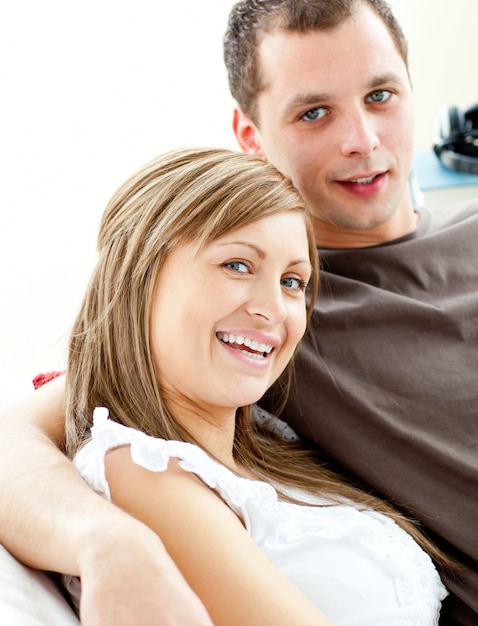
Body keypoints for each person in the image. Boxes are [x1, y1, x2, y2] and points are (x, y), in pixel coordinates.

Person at [0, 0, 476, 624]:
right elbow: (18, 441)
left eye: (381, 95)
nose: (362, 139)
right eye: (313, 112)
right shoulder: (255, 327)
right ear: (251, 136)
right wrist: (108, 543)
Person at [58, 145, 448, 625]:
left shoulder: (273, 441)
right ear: (140, 277)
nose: (274, 309)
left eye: (292, 281)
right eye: (237, 265)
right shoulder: (141, 469)